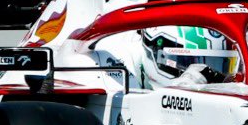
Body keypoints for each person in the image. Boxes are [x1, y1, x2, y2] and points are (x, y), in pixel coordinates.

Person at [94, 24, 239, 89]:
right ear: (160, 57)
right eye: (189, 63)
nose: (209, 77)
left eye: (220, 65)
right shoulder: (115, 59)